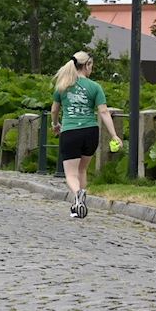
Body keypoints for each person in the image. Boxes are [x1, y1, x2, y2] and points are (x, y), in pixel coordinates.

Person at [51, 50, 121, 219]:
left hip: (70, 131)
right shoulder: (95, 87)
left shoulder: (62, 86)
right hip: (90, 132)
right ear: (87, 66)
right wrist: (114, 135)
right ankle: (78, 205)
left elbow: (54, 110)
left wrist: (55, 124)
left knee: (70, 174)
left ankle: (78, 194)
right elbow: (103, 112)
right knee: (82, 170)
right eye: (91, 66)